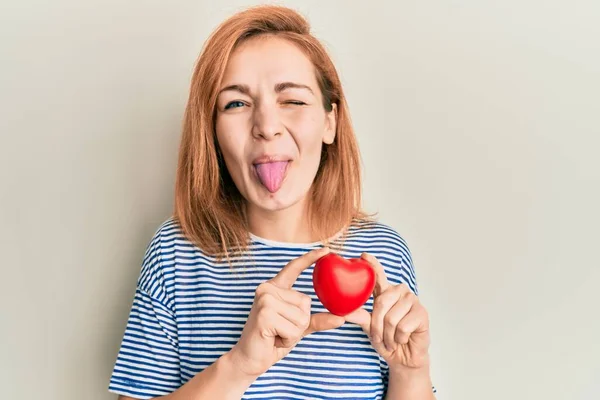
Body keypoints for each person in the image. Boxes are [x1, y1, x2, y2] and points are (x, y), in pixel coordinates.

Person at [108, 5, 436, 400]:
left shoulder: (383, 253)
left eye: (293, 101)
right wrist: (241, 364)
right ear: (212, 132)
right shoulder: (175, 253)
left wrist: (410, 371)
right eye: (236, 104)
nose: (265, 126)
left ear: (330, 122)